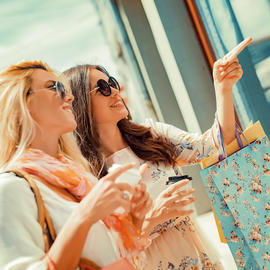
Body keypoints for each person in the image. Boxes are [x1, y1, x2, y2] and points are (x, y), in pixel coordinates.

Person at [63, 48, 244, 269]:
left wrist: (223, 89)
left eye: (111, 82)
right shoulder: (84, 174)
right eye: (101, 88)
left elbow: (213, 147)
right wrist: (153, 217)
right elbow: (104, 247)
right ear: (80, 103)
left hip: (201, 258)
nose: (113, 90)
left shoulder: (151, 134)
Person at [0, 60, 160, 270]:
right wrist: (84, 215)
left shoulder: (77, 175)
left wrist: (135, 218)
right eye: (53, 87)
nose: (70, 97)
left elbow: (111, 255)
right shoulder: (11, 188)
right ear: (21, 102)